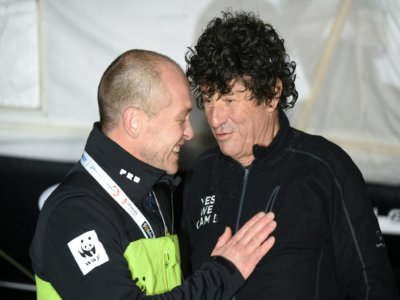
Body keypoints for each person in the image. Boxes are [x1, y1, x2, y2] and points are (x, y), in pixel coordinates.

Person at [180, 11, 399, 299]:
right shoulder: (200, 174)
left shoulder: (325, 168)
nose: (215, 117)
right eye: (208, 100)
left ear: (271, 94)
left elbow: (373, 287)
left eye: (229, 99)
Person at [29, 49, 277, 299]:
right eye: (181, 119)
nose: (189, 133)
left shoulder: (155, 191)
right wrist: (222, 273)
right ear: (134, 121)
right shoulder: (74, 214)